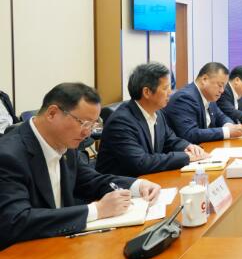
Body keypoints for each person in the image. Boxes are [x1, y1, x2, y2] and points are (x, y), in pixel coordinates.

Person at [0, 83, 160, 249]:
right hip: (20, 254)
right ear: (52, 113)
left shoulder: (66, 143)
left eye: (93, 125)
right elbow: (16, 221)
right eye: (83, 123)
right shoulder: (8, 156)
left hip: (61, 244)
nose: (87, 133)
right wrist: (97, 210)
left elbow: (91, 180)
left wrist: (138, 185)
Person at [97, 63, 208, 177]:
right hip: (122, 185)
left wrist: (188, 146)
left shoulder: (158, 112)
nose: (170, 92)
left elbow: (170, 140)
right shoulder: (121, 122)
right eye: (165, 88)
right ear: (147, 92)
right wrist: (186, 157)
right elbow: (141, 163)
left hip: (148, 179)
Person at [164, 62, 242, 143]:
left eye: (224, 86)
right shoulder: (185, 98)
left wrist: (228, 125)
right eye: (220, 85)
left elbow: (221, 116)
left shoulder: (209, 96)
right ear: (204, 79)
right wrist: (227, 132)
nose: (222, 90)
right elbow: (190, 134)